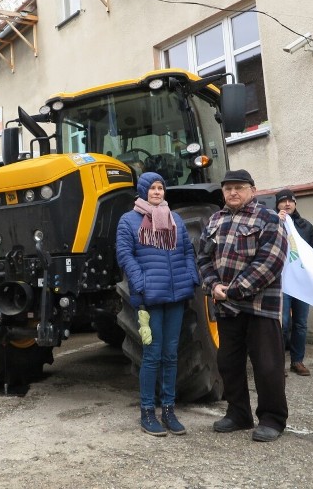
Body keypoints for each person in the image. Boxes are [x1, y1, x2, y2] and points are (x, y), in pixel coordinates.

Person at [197, 169, 288, 442]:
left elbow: (270, 262)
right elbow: (203, 259)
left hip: (260, 306)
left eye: (239, 187)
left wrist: (232, 290)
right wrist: (213, 286)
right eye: (228, 189)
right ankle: (238, 414)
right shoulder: (214, 220)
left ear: (252, 189)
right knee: (229, 364)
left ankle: (272, 419)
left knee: (267, 366)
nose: (233, 193)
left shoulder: (268, 219)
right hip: (226, 307)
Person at [116, 172, 200, 437]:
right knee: (152, 355)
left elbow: (187, 251)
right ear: (143, 191)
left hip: (175, 296)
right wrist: (140, 283)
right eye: (151, 188)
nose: (156, 192)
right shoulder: (129, 221)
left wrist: (190, 276)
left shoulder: (174, 219)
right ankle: (147, 412)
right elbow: (125, 255)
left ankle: (169, 410)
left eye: (160, 188)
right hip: (150, 297)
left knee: (171, 354)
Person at [275, 188, 313, 376]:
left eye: (291, 201)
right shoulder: (272, 223)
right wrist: (276, 222)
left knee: (300, 323)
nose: (287, 204)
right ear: (277, 204)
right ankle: (278, 364)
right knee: (283, 323)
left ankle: (297, 361)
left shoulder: (305, 226)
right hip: (283, 283)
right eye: (283, 201)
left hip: (302, 282)